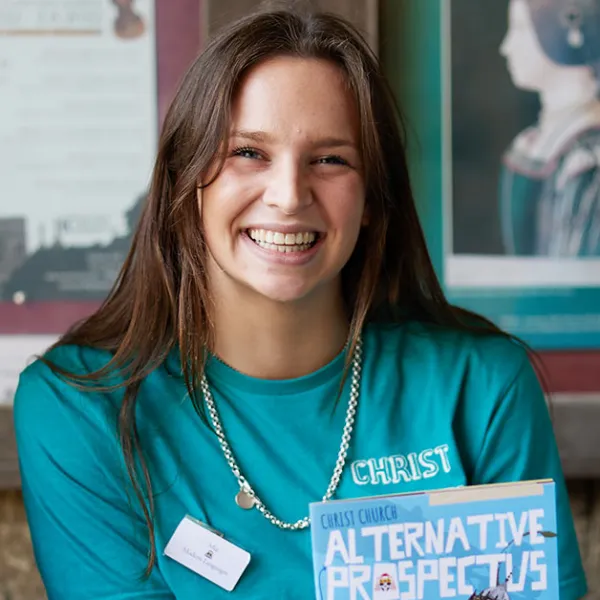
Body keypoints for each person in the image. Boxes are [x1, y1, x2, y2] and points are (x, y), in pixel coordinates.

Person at [14, 4, 587, 599]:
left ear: (371, 201)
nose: (288, 196)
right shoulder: (81, 407)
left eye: (330, 159)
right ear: (186, 183)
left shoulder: (482, 387)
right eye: (248, 153)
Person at [499, 0, 600, 256]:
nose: (506, 47)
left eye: (520, 29)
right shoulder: (531, 142)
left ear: (567, 26)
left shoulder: (588, 156)